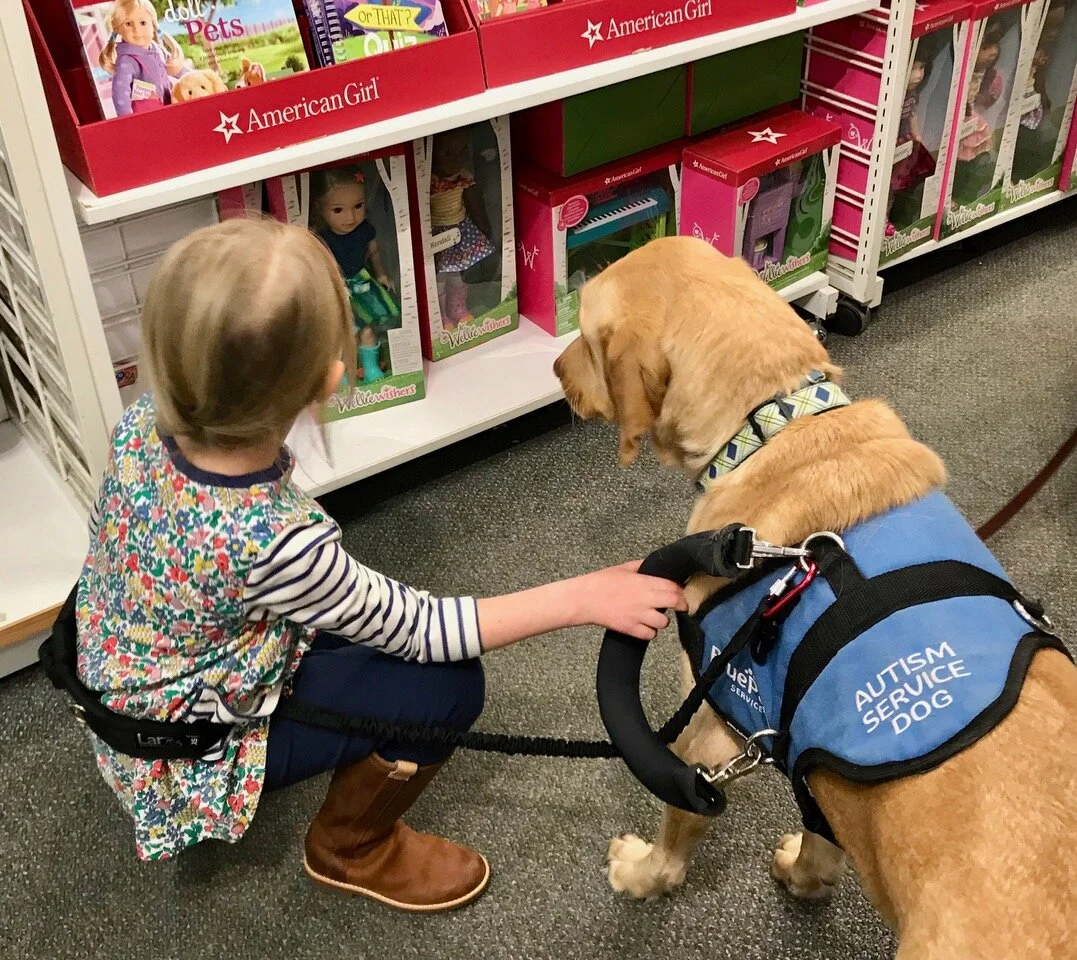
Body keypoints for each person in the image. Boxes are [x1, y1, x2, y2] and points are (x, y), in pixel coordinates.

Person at [75, 217, 686, 913]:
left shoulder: (141, 424)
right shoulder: (276, 543)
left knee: (362, 633)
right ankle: (352, 847)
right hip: (185, 743)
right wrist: (586, 596)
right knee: (444, 688)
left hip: (122, 681)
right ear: (330, 378)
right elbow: (424, 629)